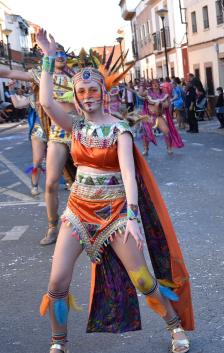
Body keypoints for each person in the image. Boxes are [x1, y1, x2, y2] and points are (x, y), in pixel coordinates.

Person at [36, 29, 193, 353]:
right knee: (56, 283)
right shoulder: (75, 127)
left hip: (115, 216)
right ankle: (58, 342)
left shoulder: (120, 129)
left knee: (143, 280)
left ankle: (174, 325)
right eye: (82, 90)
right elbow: (46, 101)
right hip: (78, 213)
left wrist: (133, 218)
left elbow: (129, 175)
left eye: (93, 89)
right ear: (77, 95)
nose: (88, 95)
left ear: (102, 91)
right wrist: (49, 58)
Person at [0, 44, 77, 245]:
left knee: (84, 183)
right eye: (55, 54)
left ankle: (90, 222)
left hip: (79, 132)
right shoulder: (42, 75)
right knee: (50, 182)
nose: (60, 57)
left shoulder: (77, 76)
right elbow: (9, 71)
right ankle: (53, 226)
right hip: (57, 134)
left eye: (63, 54)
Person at [137, 80, 184, 156]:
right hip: (149, 117)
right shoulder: (148, 92)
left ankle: (169, 148)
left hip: (159, 116)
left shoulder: (164, 94)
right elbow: (140, 94)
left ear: (159, 85)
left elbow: (167, 104)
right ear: (151, 85)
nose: (155, 85)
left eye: (156, 84)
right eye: (153, 84)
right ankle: (146, 149)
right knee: (145, 133)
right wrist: (142, 85)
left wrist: (160, 103)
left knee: (166, 132)